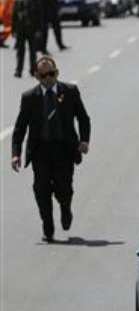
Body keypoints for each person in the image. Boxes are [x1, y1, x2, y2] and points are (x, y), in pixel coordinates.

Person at [11, 56, 91, 242]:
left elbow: (83, 118)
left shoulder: (70, 92)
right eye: (44, 75)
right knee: (41, 189)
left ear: (57, 73)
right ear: (37, 76)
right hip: (40, 151)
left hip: (64, 149)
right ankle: (47, 224)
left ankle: (65, 207)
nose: (48, 78)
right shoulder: (29, 98)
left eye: (52, 74)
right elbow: (20, 128)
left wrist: (85, 141)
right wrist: (15, 154)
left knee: (64, 187)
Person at [12, 0, 45, 78]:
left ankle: (33, 70)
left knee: (32, 52)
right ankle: (18, 70)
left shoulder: (36, 0)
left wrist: (39, 30)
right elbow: (14, 17)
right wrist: (13, 30)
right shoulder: (18, 1)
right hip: (21, 30)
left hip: (32, 29)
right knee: (20, 51)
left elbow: (40, 16)